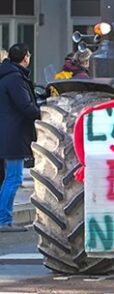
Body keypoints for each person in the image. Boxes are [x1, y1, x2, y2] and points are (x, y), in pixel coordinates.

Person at [0, 44, 40, 232]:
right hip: (12, 136)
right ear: (25, 57)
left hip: (5, 133)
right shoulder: (16, 79)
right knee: (14, 178)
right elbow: (25, 107)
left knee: (5, 178)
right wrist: (43, 113)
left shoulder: (5, 76)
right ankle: (3, 220)